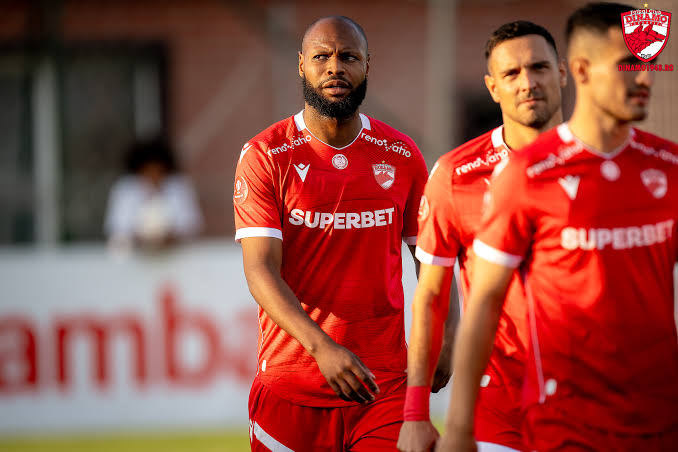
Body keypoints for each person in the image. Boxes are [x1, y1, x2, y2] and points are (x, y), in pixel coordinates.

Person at [438, 3, 678, 451]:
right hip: (565, 426)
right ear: (581, 71)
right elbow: (483, 303)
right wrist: (459, 428)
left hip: (661, 421)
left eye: (649, 64)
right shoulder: (527, 174)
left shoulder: (669, 167)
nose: (645, 78)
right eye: (628, 64)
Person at [234, 16, 432, 451]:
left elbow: (433, 263)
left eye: (348, 57)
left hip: (382, 388)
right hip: (291, 388)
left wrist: (446, 333)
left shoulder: (401, 154)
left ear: (367, 65)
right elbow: (260, 271)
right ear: (301, 64)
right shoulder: (266, 154)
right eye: (321, 56)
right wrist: (322, 348)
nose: (335, 67)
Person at [397, 21, 566, 452]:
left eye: (539, 67)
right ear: (493, 87)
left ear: (563, 73)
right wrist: (415, 413)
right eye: (511, 73)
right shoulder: (456, 175)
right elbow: (430, 297)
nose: (528, 82)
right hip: (497, 400)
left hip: (589, 394)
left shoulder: (603, 169)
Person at [104, 138, 202, 252]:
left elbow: (191, 224)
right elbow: (117, 227)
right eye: (148, 171)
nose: (153, 176)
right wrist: (142, 238)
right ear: (139, 171)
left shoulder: (179, 187)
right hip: (134, 255)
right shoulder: (125, 189)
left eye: (158, 171)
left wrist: (169, 237)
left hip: (176, 254)